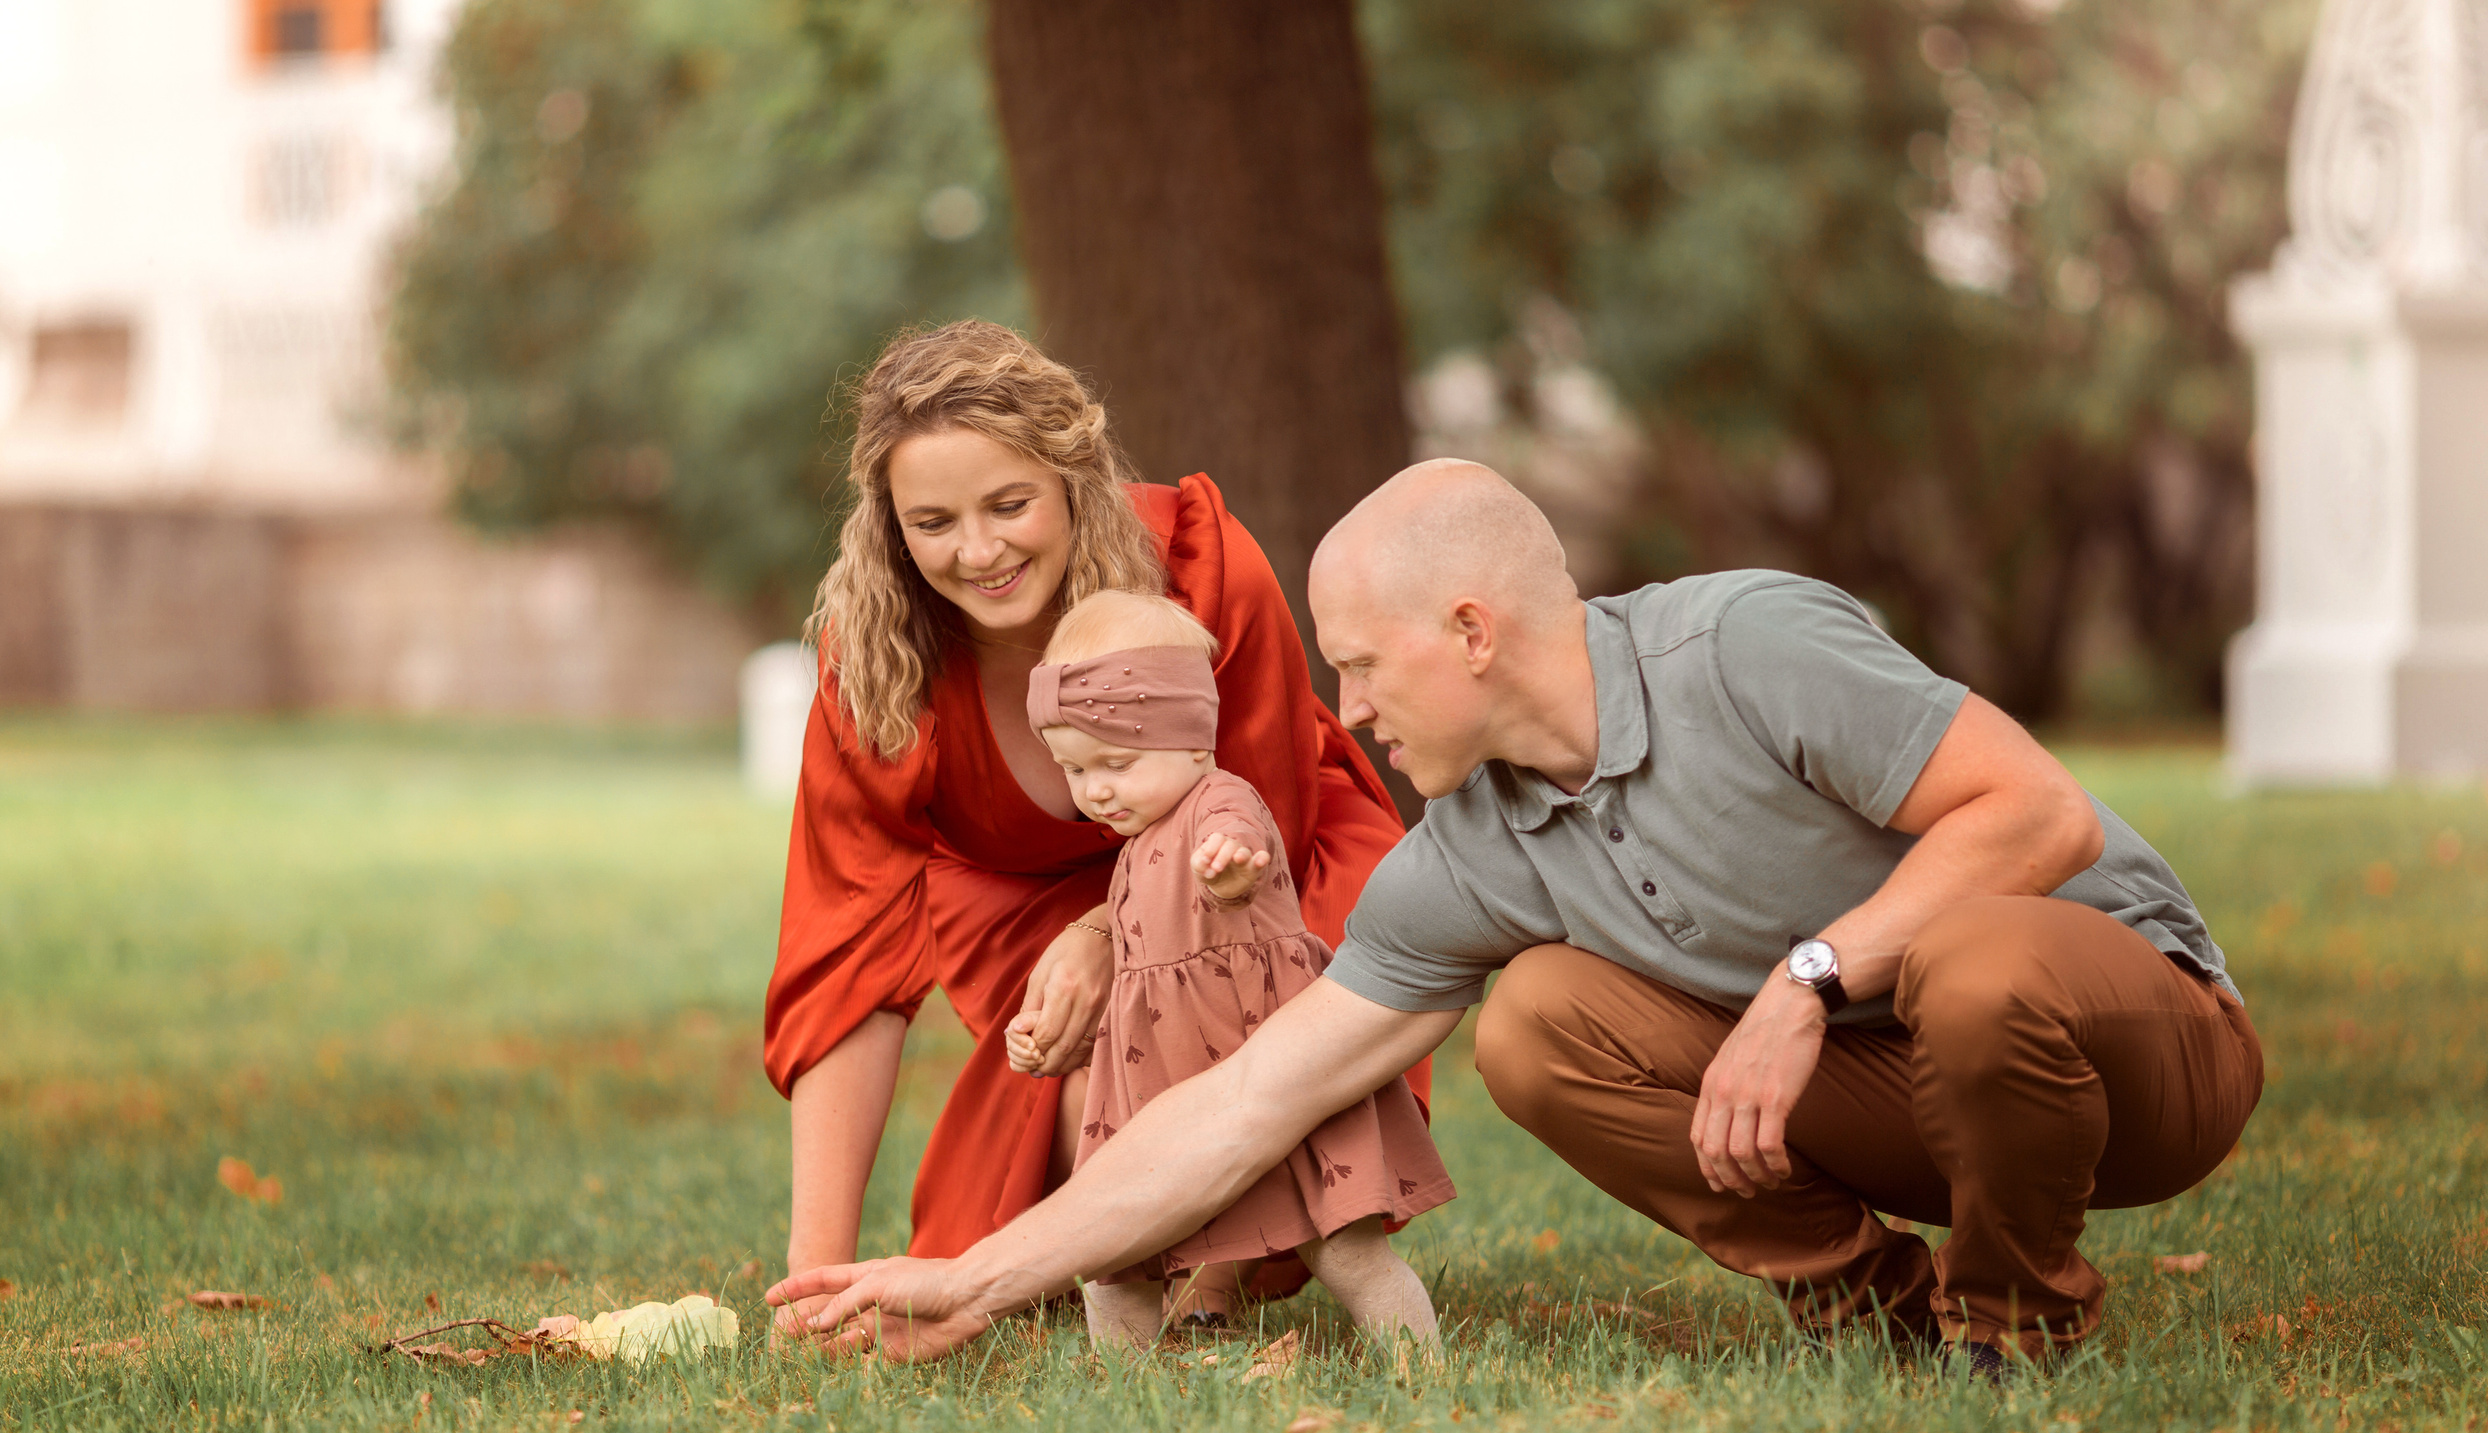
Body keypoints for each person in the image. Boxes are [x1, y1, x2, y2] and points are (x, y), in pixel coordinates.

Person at [773, 459, 2264, 1379]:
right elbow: (1248, 1098)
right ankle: (1883, 1309)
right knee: (1543, 1022)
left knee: (1979, 954)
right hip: (1897, 1082)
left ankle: (2014, 1327)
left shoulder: (1743, 641)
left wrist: (1808, 976)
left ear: (1471, 632)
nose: (1343, 711)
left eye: (1360, 665)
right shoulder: (1474, 851)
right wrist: (971, 1275)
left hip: (2138, 1049)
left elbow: (2037, 813)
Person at [759, 321, 1417, 1337]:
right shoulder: (877, 656)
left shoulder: (1202, 568)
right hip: (1023, 900)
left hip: (1259, 882)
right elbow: (844, 954)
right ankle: (1142, 1248)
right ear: (889, 524)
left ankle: (1216, 1281)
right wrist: (817, 1277)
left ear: (1072, 478)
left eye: (1009, 504)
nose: (977, 552)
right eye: (931, 521)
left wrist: (1104, 936)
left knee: (1232, 1104)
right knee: (1086, 1117)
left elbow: (1254, 838)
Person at [1007, 590, 1450, 1350]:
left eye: (1116, 761)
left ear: (1192, 742)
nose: (1097, 789)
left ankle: (1421, 1367)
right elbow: (1140, 988)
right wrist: (1055, 1037)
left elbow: (1237, 841)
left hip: (1260, 1068)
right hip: (1157, 1087)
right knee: (1115, 1256)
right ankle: (1122, 1384)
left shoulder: (1219, 800)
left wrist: (1232, 869)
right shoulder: (1134, 848)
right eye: (1076, 769)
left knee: (1344, 1248)